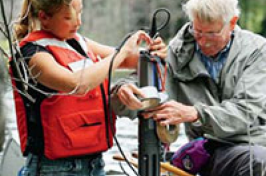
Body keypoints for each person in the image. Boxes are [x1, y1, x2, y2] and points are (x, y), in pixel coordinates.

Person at [10, 0, 167, 176]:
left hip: (94, 164)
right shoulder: (32, 55)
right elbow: (77, 83)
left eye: (80, 13)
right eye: (69, 17)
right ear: (44, 18)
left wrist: (154, 51)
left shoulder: (79, 43)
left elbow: (131, 60)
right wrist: (122, 51)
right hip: (52, 168)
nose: (78, 22)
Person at [114, 0, 266, 175]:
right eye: (198, 31)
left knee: (258, 159)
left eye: (211, 34)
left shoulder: (258, 50)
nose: (202, 41)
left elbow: (246, 112)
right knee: (257, 160)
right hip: (208, 151)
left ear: (232, 23)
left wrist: (195, 113)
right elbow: (137, 97)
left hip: (256, 144)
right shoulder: (176, 54)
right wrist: (123, 90)